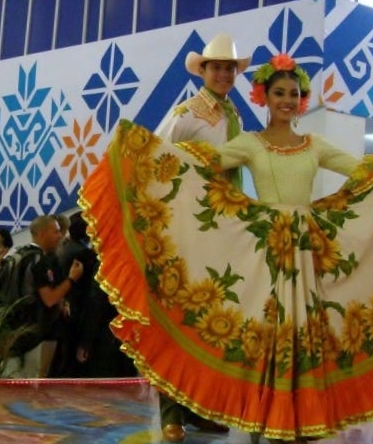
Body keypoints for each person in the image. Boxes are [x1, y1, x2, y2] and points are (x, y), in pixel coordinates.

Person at [78, 53, 373, 442]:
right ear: (264, 95)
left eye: (293, 93)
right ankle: (264, 416)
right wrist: (146, 151)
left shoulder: (315, 144)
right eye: (279, 92)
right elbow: (208, 161)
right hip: (265, 249)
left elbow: (365, 170)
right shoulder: (251, 142)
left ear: (302, 99)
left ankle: (300, 418)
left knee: (307, 331)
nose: (287, 100)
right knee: (264, 329)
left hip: (309, 247)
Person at [153, 33, 250, 441]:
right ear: (204, 71)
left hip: (222, 227)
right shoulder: (187, 113)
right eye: (218, 67)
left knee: (211, 318)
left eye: (230, 68)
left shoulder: (233, 116)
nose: (224, 73)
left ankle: (201, 406)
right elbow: (155, 156)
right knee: (178, 317)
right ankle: (171, 412)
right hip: (189, 226)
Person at [58, 211, 137, 378]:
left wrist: (85, 342)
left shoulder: (99, 262)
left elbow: (96, 302)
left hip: (103, 335)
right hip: (126, 332)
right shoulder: (127, 258)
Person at [14, 215, 84, 367]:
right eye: (56, 232)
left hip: (20, 329)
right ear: (42, 234)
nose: (60, 236)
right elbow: (50, 299)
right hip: (38, 333)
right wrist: (72, 278)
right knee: (38, 380)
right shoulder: (40, 261)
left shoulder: (20, 255)